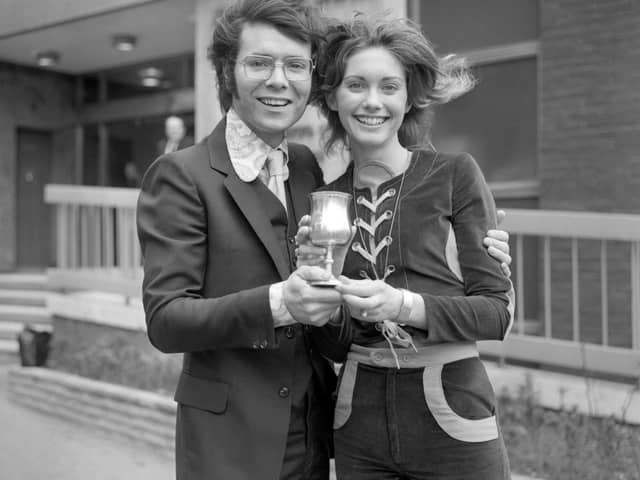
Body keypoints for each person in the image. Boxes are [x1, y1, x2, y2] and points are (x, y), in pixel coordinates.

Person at [137, 1, 511, 479]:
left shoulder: (306, 169)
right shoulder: (181, 174)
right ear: (227, 72)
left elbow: (337, 326)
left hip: (320, 436)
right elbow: (166, 320)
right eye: (259, 63)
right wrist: (282, 303)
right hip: (234, 443)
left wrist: (471, 264)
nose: (279, 80)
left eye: (295, 65)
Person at [300, 15, 515, 479]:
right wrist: (317, 291)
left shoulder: (455, 175)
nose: (372, 101)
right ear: (333, 97)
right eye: (356, 85)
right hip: (359, 420)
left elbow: (497, 313)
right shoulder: (326, 202)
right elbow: (332, 346)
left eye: (388, 87)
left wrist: (403, 304)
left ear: (409, 97)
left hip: (453, 413)